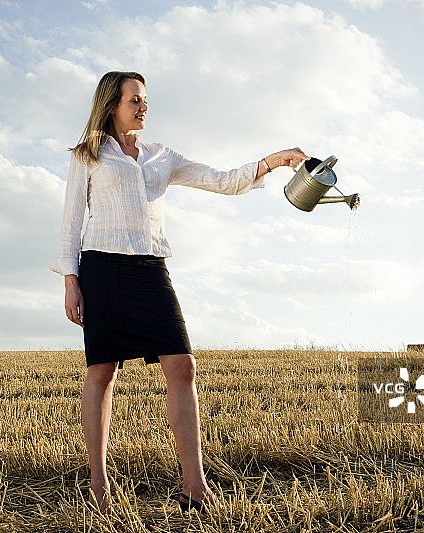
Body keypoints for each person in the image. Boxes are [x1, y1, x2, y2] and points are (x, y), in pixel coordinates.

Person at [53, 71, 309, 514]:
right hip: (102, 267)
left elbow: (222, 179)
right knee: (102, 372)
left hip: (151, 267)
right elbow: (71, 221)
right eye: (135, 99)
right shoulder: (88, 156)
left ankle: (195, 486)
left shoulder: (161, 156)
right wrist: (70, 280)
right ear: (112, 103)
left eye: (145, 100)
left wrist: (273, 161)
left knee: (183, 364)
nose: (143, 107)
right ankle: (99, 485)